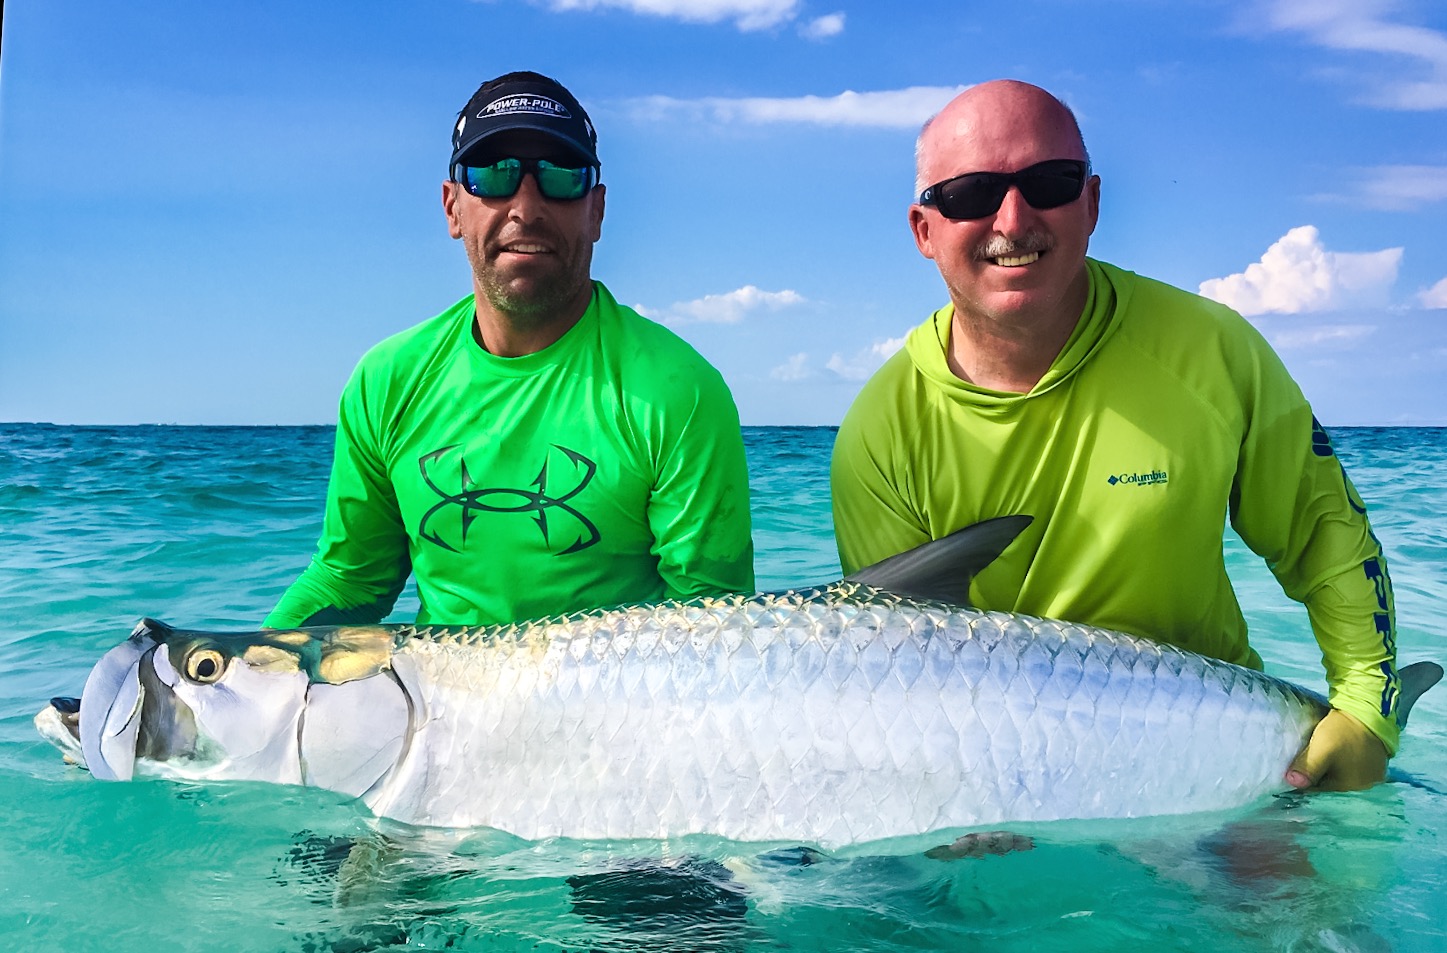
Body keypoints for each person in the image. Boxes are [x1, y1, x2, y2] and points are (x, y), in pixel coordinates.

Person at [830, 80, 1399, 792]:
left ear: (1091, 203)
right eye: (972, 193)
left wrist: (1365, 710)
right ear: (923, 229)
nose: (1013, 217)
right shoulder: (877, 431)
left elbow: (1325, 537)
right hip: (998, 785)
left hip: (1225, 769)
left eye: (1048, 182)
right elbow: (902, 669)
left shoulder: (1211, 349)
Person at [266, 71, 754, 629]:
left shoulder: (677, 390)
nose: (526, 205)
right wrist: (244, 672)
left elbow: (713, 626)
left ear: (596, 211)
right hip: (438, 709)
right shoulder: (388, 380)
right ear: (453, 207)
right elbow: (351, 579)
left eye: (560, 176)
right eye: (493, 175)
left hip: (620, 712)